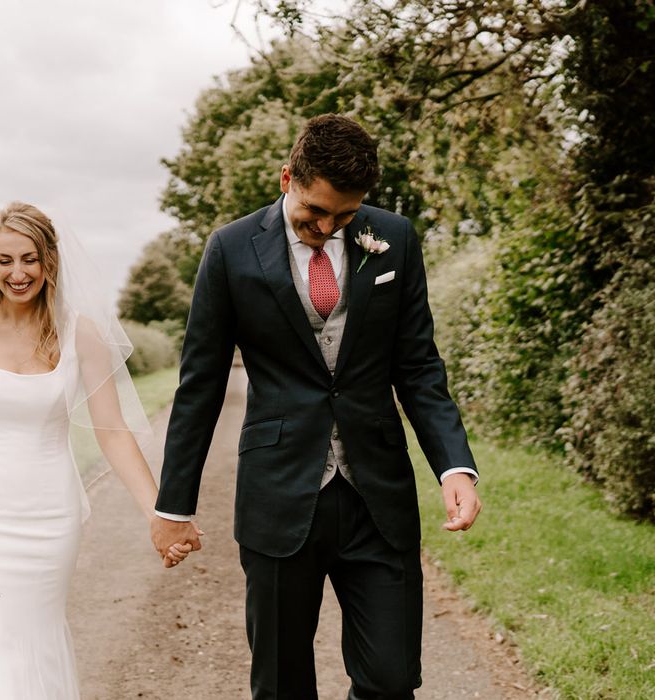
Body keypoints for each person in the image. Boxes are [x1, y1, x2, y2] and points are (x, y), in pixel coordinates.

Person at [150, 114, 482, 699]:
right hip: (277, 497)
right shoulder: (230, 250)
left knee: (392, 680)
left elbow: (419, 367)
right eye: (315, 213)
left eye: (346, 217)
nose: (327, 229)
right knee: (281, 685)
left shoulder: (395, 239)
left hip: (377, 496)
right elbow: (199, 385)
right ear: (287, 179)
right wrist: (174, 503)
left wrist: (454, 466)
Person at [0, 202, 189, 699]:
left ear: (50, 260)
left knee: (36, 643)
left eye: (29, 259)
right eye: (5, 260)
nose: (17, 273)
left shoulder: (80, 332)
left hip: (49, 518)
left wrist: (157, 512)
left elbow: (112, 432)